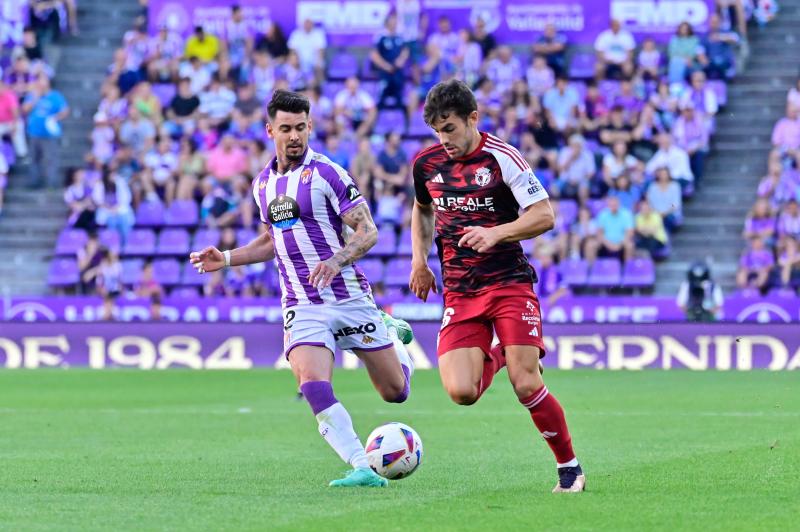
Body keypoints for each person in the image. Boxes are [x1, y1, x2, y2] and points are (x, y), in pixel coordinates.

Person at [189, 90, 415, 488]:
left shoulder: (328, 174)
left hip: (348, 296)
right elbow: (271, 240)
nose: (294, 136)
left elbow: (368, 231)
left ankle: (392, 335)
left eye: (301, 128)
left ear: (310, 126)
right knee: (312, 385)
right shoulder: (262, 185)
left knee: (395, 393)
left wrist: (335, 261)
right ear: (270, 130)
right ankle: (362, 464)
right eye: (286, 129)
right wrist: (224, 259)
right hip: (301, 302)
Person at [408, 79, 584, 493]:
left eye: (449, 128)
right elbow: (422, 209)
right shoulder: (426, 164)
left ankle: (569, 468)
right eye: (436, 130)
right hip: (460, 289)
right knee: (461, 392)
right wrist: (419, 261)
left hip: (507, 283)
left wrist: (496, 233)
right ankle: (504, 351)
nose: (443, 139)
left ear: (473, 118)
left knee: (526, 383)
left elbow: (544, 216)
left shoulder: (503, 157)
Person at [22, 74, 69, 189]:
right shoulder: (33, 95)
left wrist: (55, 118)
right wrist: (35, 98)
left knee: (50, 159)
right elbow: (25, 109)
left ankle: (50, 183)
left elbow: (65, 111)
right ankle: (34, 182)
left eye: (43, 80)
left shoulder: (55, 96)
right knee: (34, 159)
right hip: (34, 132)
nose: (40, 83)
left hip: (49, 134)